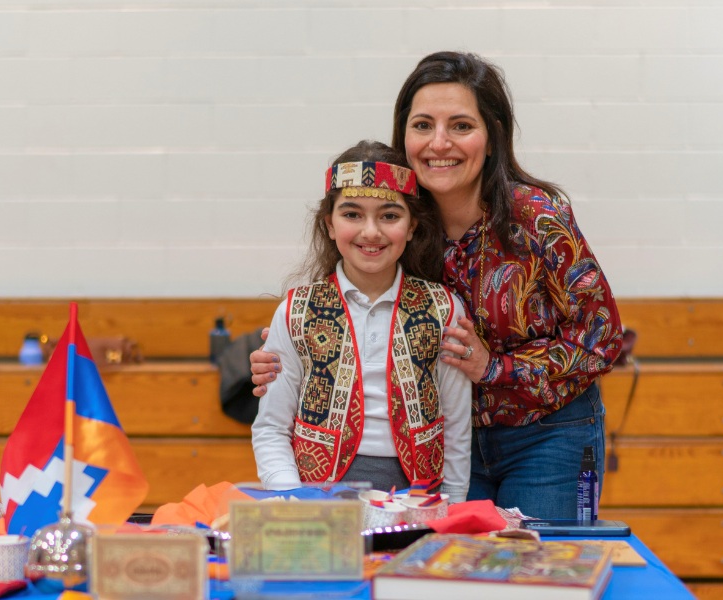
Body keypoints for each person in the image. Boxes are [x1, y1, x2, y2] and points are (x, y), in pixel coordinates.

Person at [252, 53, 623, 518]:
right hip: (443, 446)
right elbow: (361, 304)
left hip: (545, 436)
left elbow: (601, 340)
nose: (439, 142)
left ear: (492, 139)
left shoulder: (537, 217)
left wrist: (497, 368)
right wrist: (294, 347)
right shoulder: (396, 209)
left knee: (528, 578)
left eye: (461, 126)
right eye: (423, 125)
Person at [251, 140, 472, 503]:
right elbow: (272, 427)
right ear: (330, 225)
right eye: (352, 215)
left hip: (418, 499)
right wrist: (294, 500)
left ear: (412, 226)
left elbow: (457, 423)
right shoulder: (297, 311)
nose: (371, 232)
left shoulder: (443, 309)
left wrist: (452, 503)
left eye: (389, 215)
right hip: (318, 496)